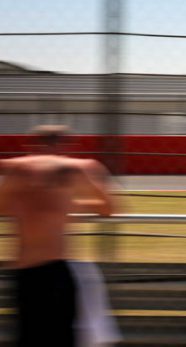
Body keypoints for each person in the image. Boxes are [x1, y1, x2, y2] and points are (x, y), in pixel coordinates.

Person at [0, 125, 118, 347]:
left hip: (24, 268)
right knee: (62, 337)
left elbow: (3, 207)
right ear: (65, 145)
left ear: (31, 144)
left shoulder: (15, 169)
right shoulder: (76, 168)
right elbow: (109, 207)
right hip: (57, 267)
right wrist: (69, 208)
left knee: (28, 336)